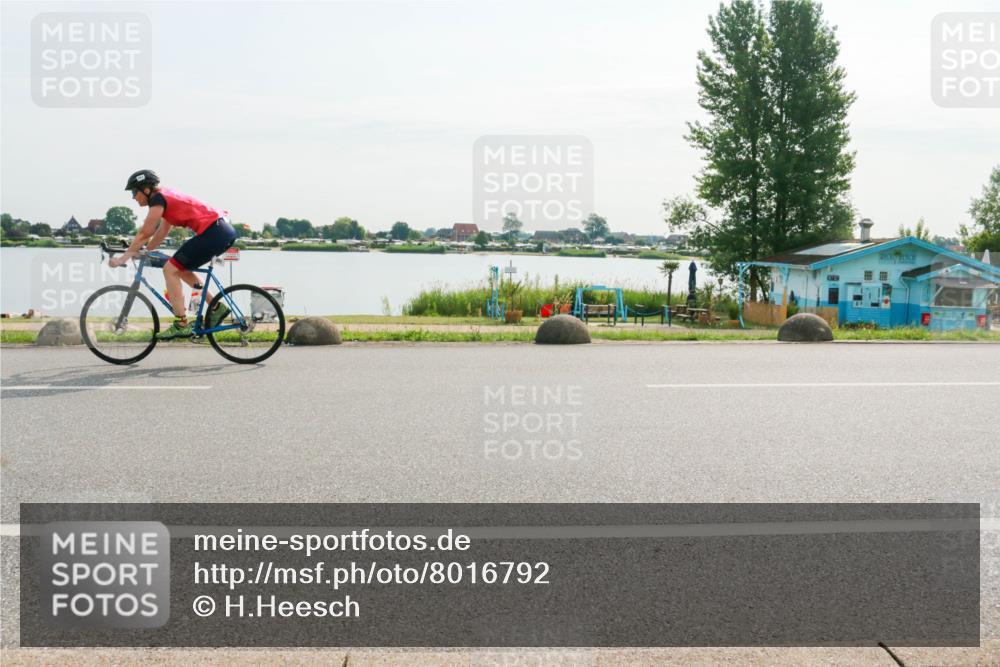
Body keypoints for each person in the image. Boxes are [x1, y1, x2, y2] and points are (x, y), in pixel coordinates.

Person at [109, 170, 236, 339]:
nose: (133, 197)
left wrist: (122, 258)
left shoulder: (157, 200)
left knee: (170, 269)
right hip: (222, 231)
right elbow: (161, 231)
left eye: (134, 192)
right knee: (181, 268)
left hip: (213, 232)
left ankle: (181, 323)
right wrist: (145, 251)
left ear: (146, 189)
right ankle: (215, 306)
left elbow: (145, 233)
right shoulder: (165, 197)